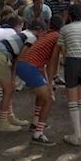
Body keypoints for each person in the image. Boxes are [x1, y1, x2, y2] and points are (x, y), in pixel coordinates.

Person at [54, 3, 81, 146]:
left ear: (69, 15)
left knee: (72, 99)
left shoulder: (65, 29)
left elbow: (62, 49)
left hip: (72, 61)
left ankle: (76, 134)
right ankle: (80, 130)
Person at [17, 15, 63, 145]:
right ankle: (38, 134)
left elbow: (43, 63)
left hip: (24, 64)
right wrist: (50, 82)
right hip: (30, 66)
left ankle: (35, 123)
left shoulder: (45, 35)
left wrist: (47, 82)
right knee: (49, 99)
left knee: (42, 95)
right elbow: (52, 63)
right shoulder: (57, 38)